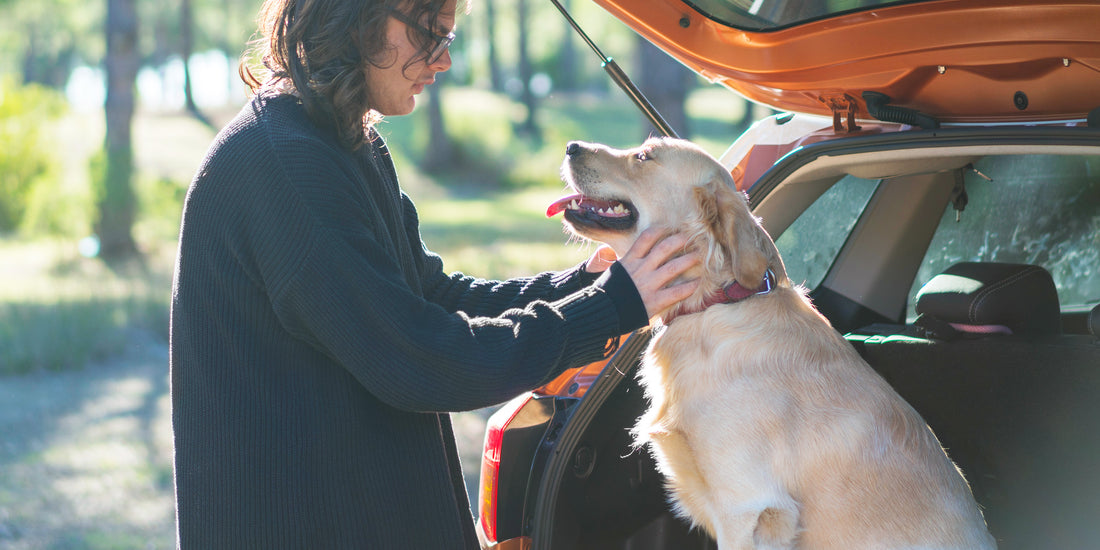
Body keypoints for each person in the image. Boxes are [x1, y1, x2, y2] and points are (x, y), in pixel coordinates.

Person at [169, 0, 700, 547]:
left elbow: (433, 296)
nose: (442, 62)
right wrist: (610, 306)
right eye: (433, 34)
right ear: (360, 18)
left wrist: (586, 284)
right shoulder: (282, 166)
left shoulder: (340, 141)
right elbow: (421, 360)